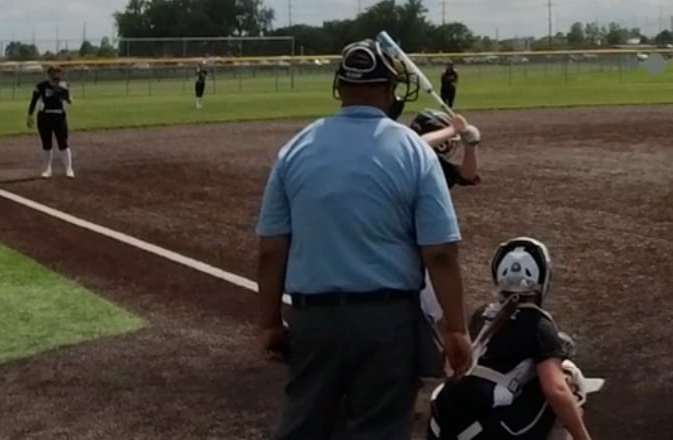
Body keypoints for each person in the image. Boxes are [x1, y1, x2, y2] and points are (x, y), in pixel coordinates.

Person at [255, 41, 474, 439]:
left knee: (305, 427)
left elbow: (271, 250)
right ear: (390, 89)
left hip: (313, 320)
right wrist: (456, 328)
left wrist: (270, 322)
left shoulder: (295, 149)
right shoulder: (414, 150)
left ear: (339, 88)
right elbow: (440, 254)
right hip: (386, 321)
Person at [429, 237, 596, 440]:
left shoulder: (482, 315)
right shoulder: (538, 324)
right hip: (484, 432)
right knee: (568, 376)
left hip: (442, 427)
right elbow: (556, 390)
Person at [408, 107, 484, 435]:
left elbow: (467, 175)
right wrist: (453, 129)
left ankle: (424, 380)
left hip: (426, 251)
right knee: (420, 318)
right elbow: (418, 143)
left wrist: (471, 146)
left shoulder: (435, 163)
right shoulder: (411, 157)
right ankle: (412, 385)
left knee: (429, 316)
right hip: (411, 252)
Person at [26, 64, 74, 178]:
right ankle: (47, 169)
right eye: (54, 73)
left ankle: (69, 169)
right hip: (44, 117)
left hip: (59, 117)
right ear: (49, 74)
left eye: (58, 72)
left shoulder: (64, 86)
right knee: (46, 144)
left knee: (63, 143)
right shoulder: (41, 86)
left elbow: (70, 100)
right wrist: (29, 115)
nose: (56, 75)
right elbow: (33, 100)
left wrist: (64, 94)